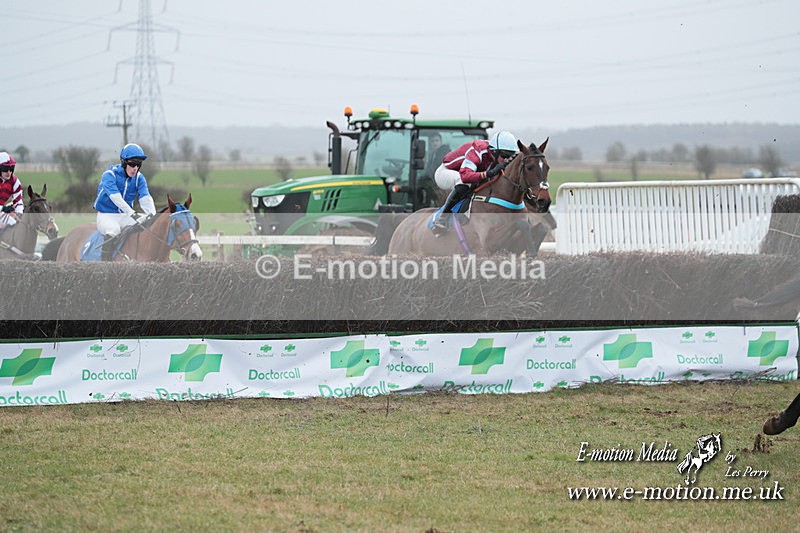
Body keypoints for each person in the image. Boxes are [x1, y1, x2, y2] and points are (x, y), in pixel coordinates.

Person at [431, 130, 518, 233]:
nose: (506, 159)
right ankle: (442, 218)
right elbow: (465, 176)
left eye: (510, 156)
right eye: (504, 155)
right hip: (445, 172)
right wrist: (489, 173)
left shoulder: (495, 155)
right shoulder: (478, 150)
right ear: (494, 151)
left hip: (464, 173)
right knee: (463, 182)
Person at [93, 143, 157, 261]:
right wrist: (133, 213)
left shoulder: (139, 178)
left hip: (125, 216)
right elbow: (116, 198)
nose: (135, 168)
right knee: (114, 229)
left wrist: (153, 216)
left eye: (138, 165)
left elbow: (145, 198)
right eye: (132, 164)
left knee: (146, 225)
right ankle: (104, 265)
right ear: (123, 162)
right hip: (107, 215)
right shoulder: (109, 175)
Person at [0, 151, 23, 232]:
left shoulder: (15, 181)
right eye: (5, 169)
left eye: (11, 168)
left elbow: (18, 202)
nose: (9, 172)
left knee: (16, 223)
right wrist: (3, 208)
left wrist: (19, 214)